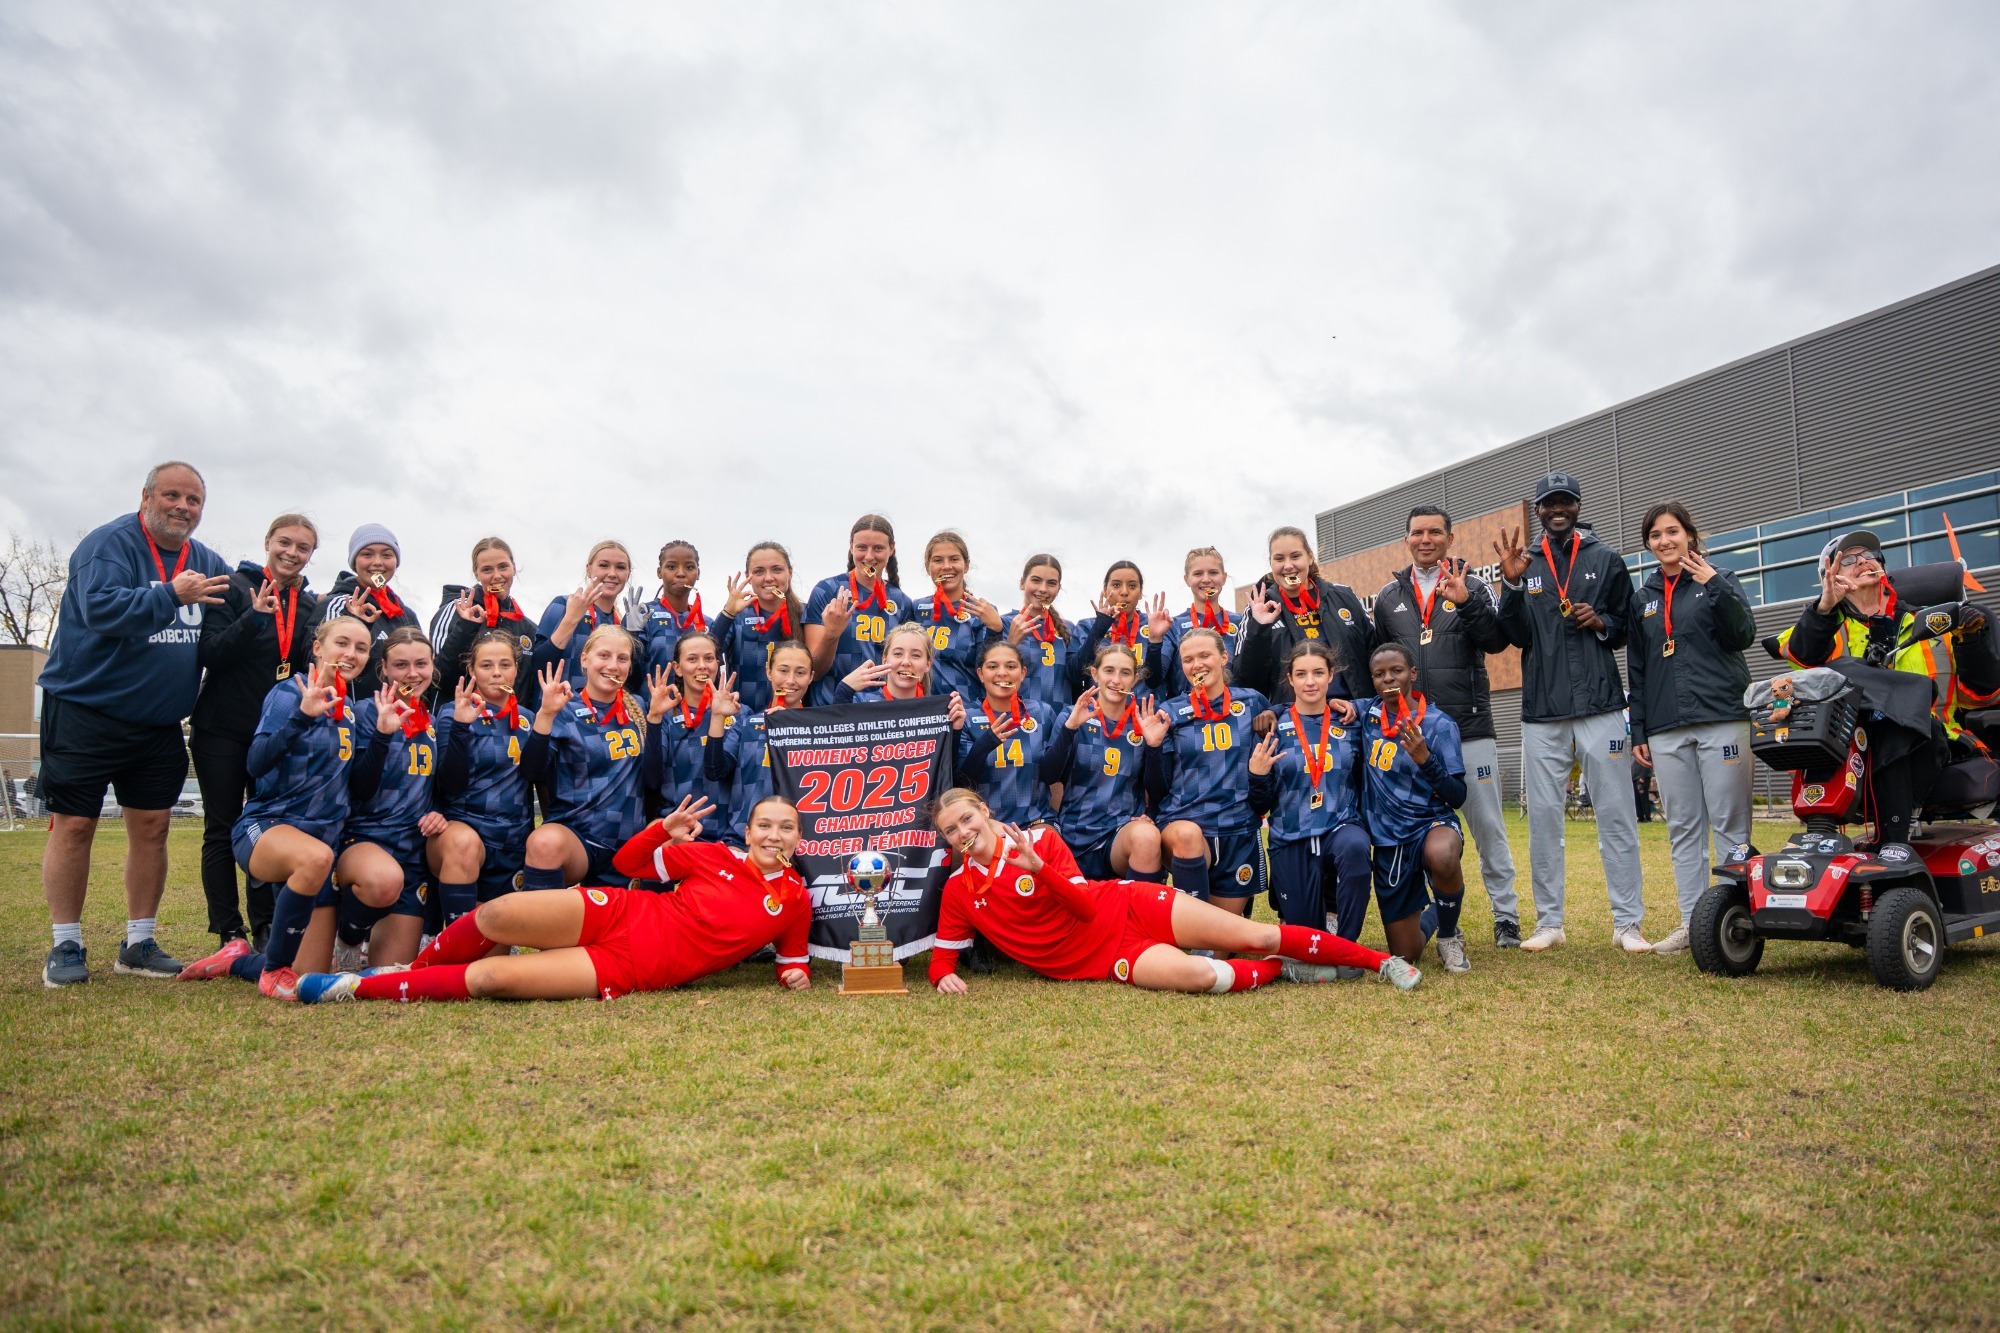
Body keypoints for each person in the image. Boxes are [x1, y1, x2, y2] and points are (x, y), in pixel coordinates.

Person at [295, 795, 813, 1003]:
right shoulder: (712, 855)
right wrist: (661, 829)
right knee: (495, 914)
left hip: (632, 967)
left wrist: (795, 977)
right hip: (622, 910)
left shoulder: (794, 899)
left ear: (798, 837)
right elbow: (630, 864)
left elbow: (792, 962)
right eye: (765, 825)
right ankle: (406, 972)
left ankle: (356, 989)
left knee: (492, 978)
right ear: (748, 831)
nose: (774, 835)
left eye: (786, 827)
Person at [37, 461, 232, 986]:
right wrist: (170, 595)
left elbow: (240, 606)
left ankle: (139, 943)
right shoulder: (109, 545)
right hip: (86, 711)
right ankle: (66, 944)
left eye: (193, 500)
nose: (182, 507)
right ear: (145, 497)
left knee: (153, 827)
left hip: (159, 722)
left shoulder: (205, 560)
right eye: (172, 495)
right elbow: (99, 609)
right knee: (75, 825)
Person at [926, 794, 1421, 993]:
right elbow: (942, 960)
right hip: (1103, 958)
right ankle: (1282, 970)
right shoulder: (958, 889)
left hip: (1127, 905)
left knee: (1257, 935)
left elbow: (1082, 908)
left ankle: (1382, 963)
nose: (963, 832)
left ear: (984, 810)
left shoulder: (1040, 841)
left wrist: (1039, 869)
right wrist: (943, 976)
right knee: (1199, 976)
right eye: (951, 830)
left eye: (966, 819)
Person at [175, 617, 384, 998]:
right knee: (314, 859)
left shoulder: (350, 710)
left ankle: (235, 960)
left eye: (361, 648)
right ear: (318, 648)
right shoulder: (289, 692)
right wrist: (301, 717)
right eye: (342, 643)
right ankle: (272, 973)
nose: (350, 654)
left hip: (321, 845)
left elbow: (356, 787)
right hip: (267, 827)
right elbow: (255, 763)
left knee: (308, 971)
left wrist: (383, 737)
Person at [1495, 471, 1650, 954]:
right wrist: (1511, 584)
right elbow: (1514, 635)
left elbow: (1627, 627)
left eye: (1565, 501)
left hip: (1601, 704)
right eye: (1548, 503)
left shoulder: (1606, 558)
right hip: (1543, 710)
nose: (1557, 509)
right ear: (1538, 510)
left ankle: (1628, 924)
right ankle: (1549, 923)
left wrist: (1602, 621)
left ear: (1578, 506)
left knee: (1617, 815)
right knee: (1543, 819)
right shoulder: (1526, 562)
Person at [1776, 528, 2000, 850]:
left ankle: (1891, 839)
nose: (1863, 561)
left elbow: (1983, 695)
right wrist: (1824, 608)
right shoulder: (1821, 627)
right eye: (1848, 559)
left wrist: (1973, 641)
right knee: (1843, 675)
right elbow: (1802, 660)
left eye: (1869, 555)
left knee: (1901, 721)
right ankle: (1850, 841)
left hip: (1934, 740)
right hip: (1852, 748)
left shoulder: (1936, 622)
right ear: (1830, 577)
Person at [1372, 507, 1522, 948]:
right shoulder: (1388, 596)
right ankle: (1434, 914)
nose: (1426, 539)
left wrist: (1467, 603)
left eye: (1435, 532)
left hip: (1468, 727)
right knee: (1419, 830)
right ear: (1406, 539)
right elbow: (1379, 663)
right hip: (1411, 734)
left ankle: (1506, 917)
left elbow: (1497, 640)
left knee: (1488, 827)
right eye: (1417, 532)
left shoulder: (1473, 585)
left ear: (1450, 539)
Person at [1626, 502, 1757, 955]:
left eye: (1672, 531)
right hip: (1666, 727)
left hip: (1722, 717)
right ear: (1648, 543)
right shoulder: (1642, 598)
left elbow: (1743, 634)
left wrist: (1714, 585)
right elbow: (1638, 669)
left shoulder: (1720, 578)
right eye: (1655, 535)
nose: (1665, 541)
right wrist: (1639, 730)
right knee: (1683, 828)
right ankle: (1693, 923)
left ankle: (1739, 920)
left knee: (1730, 824)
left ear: (1689, 535)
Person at [190, 513, 322, 954]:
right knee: (221, 827)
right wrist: (253, 617)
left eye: (302, 548)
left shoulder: (309, 605)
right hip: (223, 730)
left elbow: (307, 664)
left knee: (269, 827)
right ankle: (229, 931)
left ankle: (266, 925)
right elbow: (211, 654)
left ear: (311, 555)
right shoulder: (231, 587)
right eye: (285, 542)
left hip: (276, 735)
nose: (292, 553)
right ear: (268, 541)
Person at [329, 627, 443, 970]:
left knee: (388, 974)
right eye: (401, 665)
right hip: (365, 841)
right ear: (384, 669)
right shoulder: (363, 712)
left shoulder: (432, 722)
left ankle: (367, 936)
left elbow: (436, 787)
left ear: (432, 667)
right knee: (382, 880)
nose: (412, 673)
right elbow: (358, 789)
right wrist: (381, 736)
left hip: (411, 854)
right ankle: (348, 937)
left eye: (421, 664)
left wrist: (439, 811)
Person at [1147, 628, 1277, 915]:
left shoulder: (1252, 702)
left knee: (1223, 935)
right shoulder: (1170, 711)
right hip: (1184, 822)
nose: (1197, 665)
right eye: (1188, 659)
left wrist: (1277, 711)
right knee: (1188, 835)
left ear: (1223, 657)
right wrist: (1153, 748)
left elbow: (1293, 713)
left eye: (1204, 655)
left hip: (1238, 828)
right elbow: (1158, 787)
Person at [1248, 641, 1370, 947]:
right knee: (1307, 943)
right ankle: (1306, 922)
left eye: (1318, 672)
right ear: (1290, 679)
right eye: (1301, 674)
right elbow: (1260, 803)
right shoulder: (1272, 728)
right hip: (1291, 833)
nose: (1310, 681)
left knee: (1355, 846)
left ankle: (1346, 946)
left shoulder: (1351, 723)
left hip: (1340, 825)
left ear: (1331, 675)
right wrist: (1257, 776)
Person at [1359, 643, 1471, 972]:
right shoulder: (1366, 714)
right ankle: (1439, 910)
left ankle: (1448, 936)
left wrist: (1426, 761)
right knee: (1406, 954)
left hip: (1430, 823)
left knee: (1443, 855)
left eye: (1396, 671)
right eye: (1379, 674)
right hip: (1389, 837)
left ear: (1412, 674)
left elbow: (1457, 796)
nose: (1388, 679)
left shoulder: (1439, 724)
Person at [521, 627, 653, 890]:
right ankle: (540, 915)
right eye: (604, 655)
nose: (613, 666)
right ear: (584, 659)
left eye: (622, 659)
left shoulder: (638, 705)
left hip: (627, 839)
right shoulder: (564, 707)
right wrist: (545, 715)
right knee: (544, 842)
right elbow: (531, 772)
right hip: (578, 838)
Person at [427, 629, 539, 925]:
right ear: (472, 670)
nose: (497, 673)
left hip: (511, 837)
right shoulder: (453, 711)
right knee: (463, 847)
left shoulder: (528, 719)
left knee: (490, 940)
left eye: (505, 664)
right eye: (487, 665)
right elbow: (450, 784)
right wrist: (461, 727)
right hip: (464, 831)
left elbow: (536, 777)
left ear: (516, 669)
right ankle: (449, 940)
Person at [1050, 643, 1164, 881]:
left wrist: (1154, 747)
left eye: (1125, 673)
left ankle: (1143, 904)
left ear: (1135, 679)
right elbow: (1048, 775)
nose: (1116, 680)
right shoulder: (1072, 715)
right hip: (1074, 831)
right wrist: (1070, 729)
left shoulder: (1144, 722)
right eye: (1109, 670)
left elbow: (1156, 789)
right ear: (1095, 674)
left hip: (1119, 832)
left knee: (1146, 836)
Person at [1236, 526, 1376, 704]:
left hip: (1354, 712)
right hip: (1295, 716)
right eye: (1279, 559)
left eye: (1295, 556)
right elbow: (1247, 681)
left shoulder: (1344, 596)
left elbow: (1375, 654)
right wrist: (1259, 629)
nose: (1288, 565)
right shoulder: (1259, 607)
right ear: (1270, 564)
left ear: (1310, 557)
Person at [706, 641, 816, 847]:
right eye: (783, 670)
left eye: (800, 673)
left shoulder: (819, 729)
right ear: (769, 672)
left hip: (800, 847)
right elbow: (715, 771)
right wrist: (717, 717)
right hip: (743, 841)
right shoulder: (747, 723)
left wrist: (794, 726)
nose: (790, 680)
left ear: (811, 677)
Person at [805, 514, 916, 706]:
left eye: (878, 548)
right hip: (829, 708)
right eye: (862, 547)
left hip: (879, 711)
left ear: (891, 549)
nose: (869, 556)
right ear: (851, 547)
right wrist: (831, 634)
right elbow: (813, 672)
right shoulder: (827, 590)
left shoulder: (902, 602)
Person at [956, 638, 1062, 827]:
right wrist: (985, 744)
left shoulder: (1042, 713)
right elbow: (962, 784)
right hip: (987, 826)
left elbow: (1054, 778)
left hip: (1036, 821)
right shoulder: (967, 717)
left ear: (1023, 673)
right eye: (992, 666)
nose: (1002, 673)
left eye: (1011, 666)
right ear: (980, 674)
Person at [430, 536, 537, 707]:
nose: (497, 576)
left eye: (503, 566)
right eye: (487, 570)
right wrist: (466, 628)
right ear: (476, 573)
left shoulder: (528, 627)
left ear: (514, 568)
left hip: (513, 722)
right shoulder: (456, 610)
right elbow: (437, 678)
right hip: (460, 719)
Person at [646, 632, 732, 842]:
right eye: (692, 659)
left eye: (709, 658)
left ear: (718, 664)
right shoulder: (665, 716)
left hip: (728, 836)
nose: (702, 666)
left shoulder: (740, 714)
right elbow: (651, 781)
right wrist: (654, 718)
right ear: (677, 668)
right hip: (678, 829)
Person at [318, 524, 421, 698]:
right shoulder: (338, 604)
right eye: (367, 554)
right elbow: (317, 661)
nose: (378, 562)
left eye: (387, 555)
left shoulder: (405, 614)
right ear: (354, 562)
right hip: (348, 710)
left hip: (398, 711)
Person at [710, 541, 807, 714]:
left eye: (776, 569)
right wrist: (728, 613)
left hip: (793, 719)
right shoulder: (737, 615)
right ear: (748, 576)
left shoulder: (806, 614)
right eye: (759, 571)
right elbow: (709, 652)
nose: (768, 578)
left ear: (790, 573)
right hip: (744, 719)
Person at [913, 531, 1005, 703]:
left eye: (954, 559)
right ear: (927, 567)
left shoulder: (982, 612)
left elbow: (988, 671)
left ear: (966, 565)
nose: (946, 566)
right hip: (924, 712)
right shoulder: (916, 609)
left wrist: (996, 631)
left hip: (966, 710)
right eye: (938, 560)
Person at [534, 540, 634, 692]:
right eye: (604, 565)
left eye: (620, 567)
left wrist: (635, 635)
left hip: (601, 707)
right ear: (588, 569)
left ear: (628, 574)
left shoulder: (621, 623)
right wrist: (570, 620)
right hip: (557, 704)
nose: (612, 573)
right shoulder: (563, 605)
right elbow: (537, 666)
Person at [1071, 561, 1167, 701]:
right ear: (1105, 591)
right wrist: (1100, 627)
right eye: (1116, 585)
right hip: (1098, 712)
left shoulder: (1156, 624)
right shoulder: (1087, 626)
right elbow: (1074, 676)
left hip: (1143, 712)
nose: (1124, 592)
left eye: (1132, 586)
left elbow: (1154, 682)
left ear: (1140, 592)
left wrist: (1155, 641)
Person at [1002, 554, 1082, 709]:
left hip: (1061, 718)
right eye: (1036, 580)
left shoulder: (1070, 629)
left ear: (1058, 589)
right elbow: (994, 675)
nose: (1043, 589)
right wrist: (1011, 643)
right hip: (1022, 716)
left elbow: (1077, 676)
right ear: (1022, 583)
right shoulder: (1005, 623)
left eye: (1051, 583)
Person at [1157, 547, 1238, 698]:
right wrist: (1154, 640)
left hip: (1234, 708)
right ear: (1186, 579)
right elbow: (1155, 678)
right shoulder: (1173, 626)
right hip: (1187, 709)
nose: (1206, 579)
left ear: (1224, 577)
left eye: (1213, 572)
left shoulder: (1240, 622)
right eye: (1198, 573)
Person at [632, 539, 708, 681]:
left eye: (689, 567)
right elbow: (629, 673)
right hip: (651, 696)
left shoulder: (707, 623)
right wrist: (631, 634)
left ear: (698, 573)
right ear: (659, 572)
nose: (681, 573)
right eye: (672, 567)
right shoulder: (643, 615)